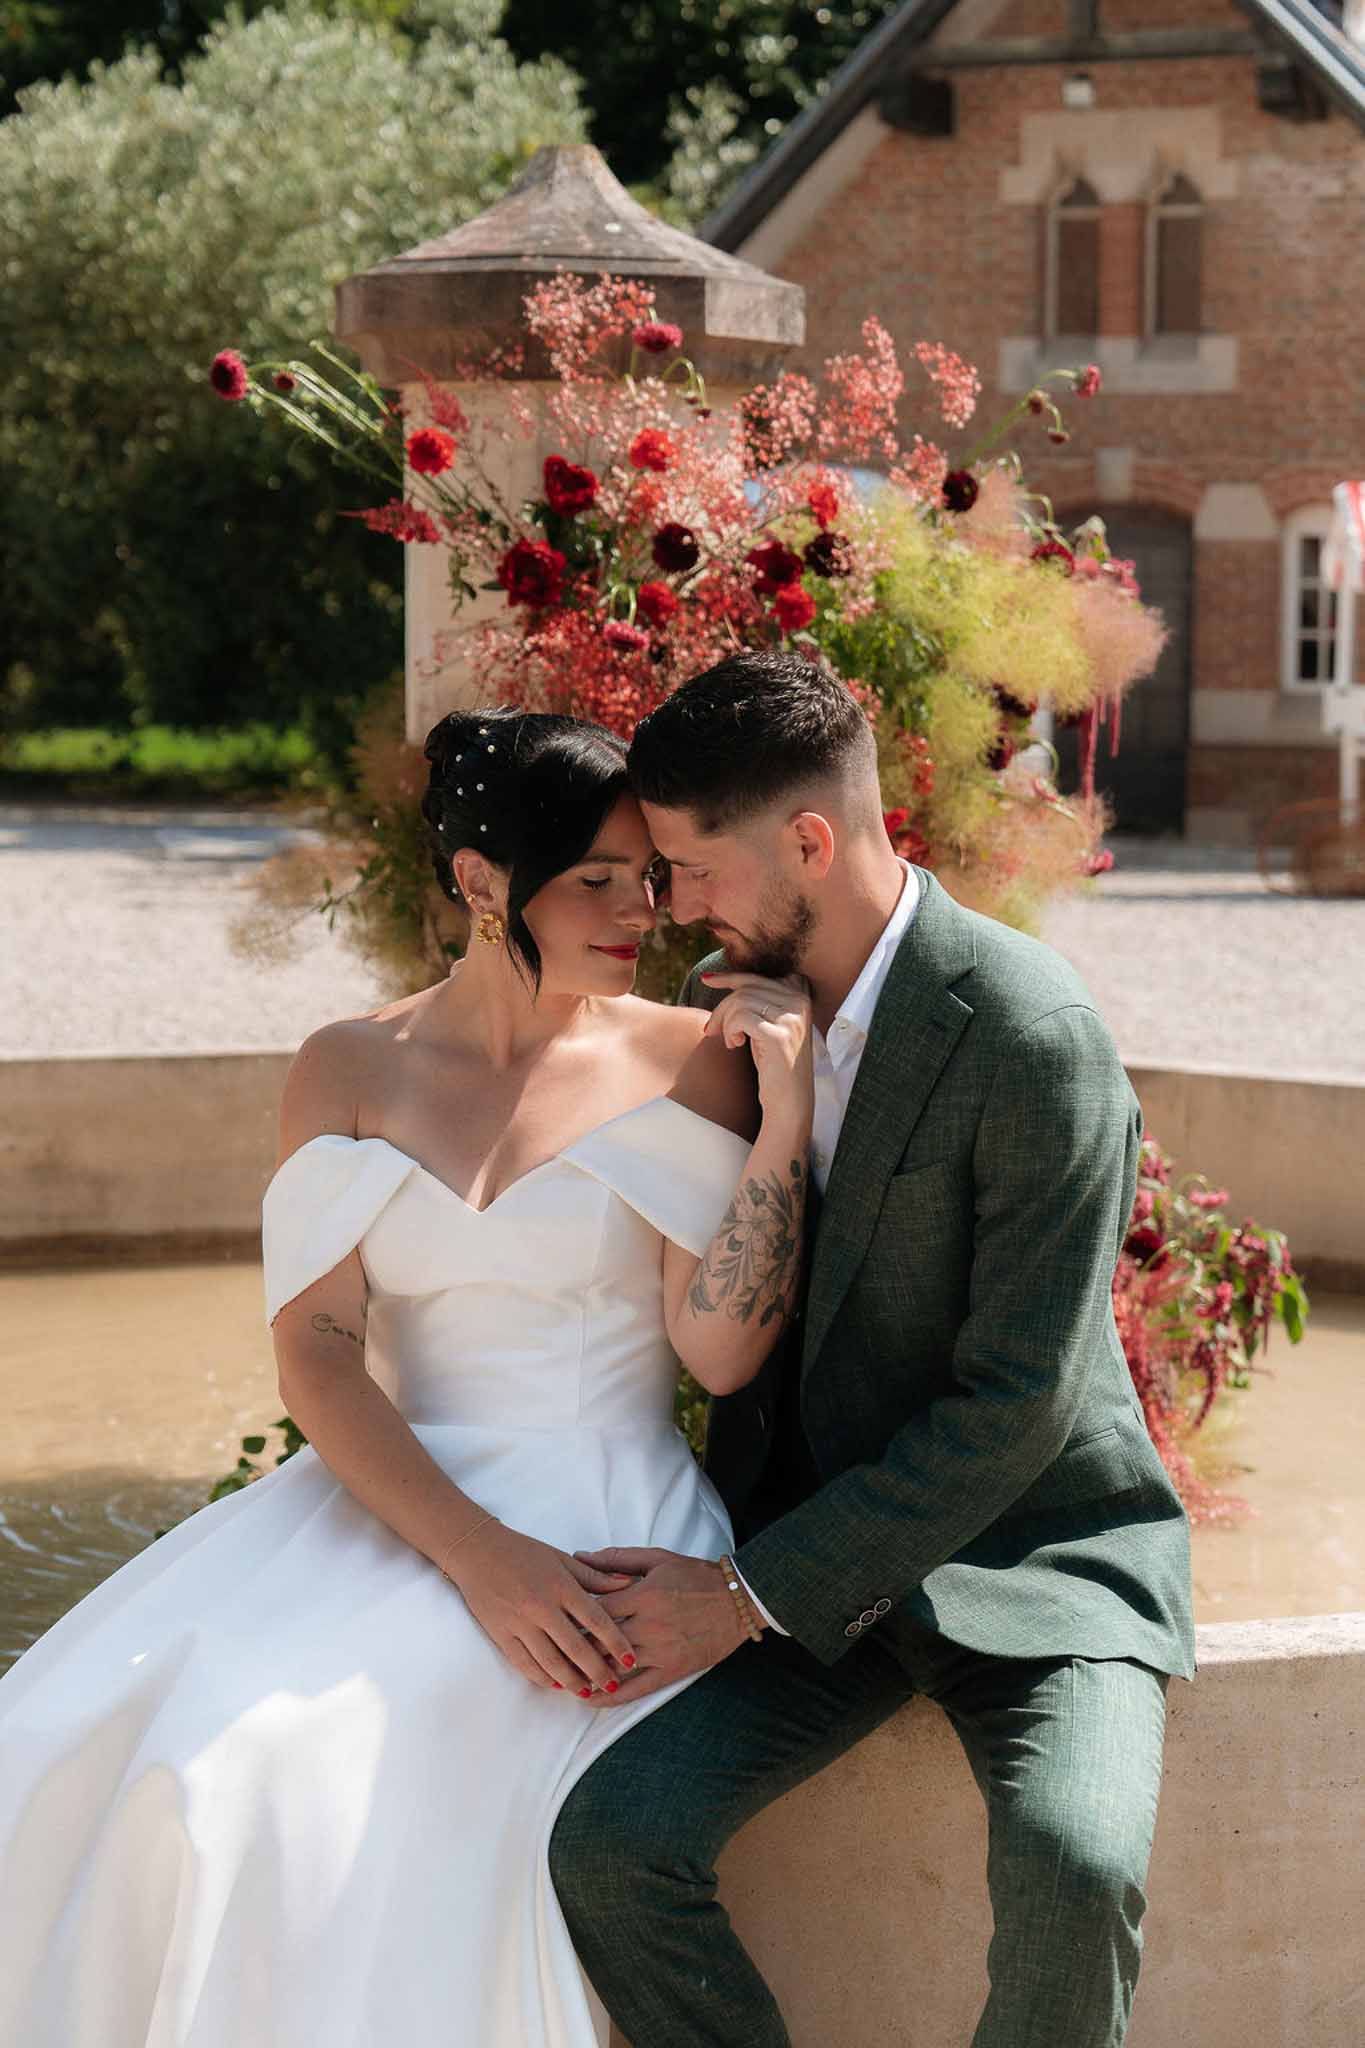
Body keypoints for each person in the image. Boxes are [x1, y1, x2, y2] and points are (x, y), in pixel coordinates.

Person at [0, 706, 814, 2048]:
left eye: (648, 878)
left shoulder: (691, 1062)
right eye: (596, 880)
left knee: (313, 1770)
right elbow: (315, 1350)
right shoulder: (345, 1066)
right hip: (393, 1502)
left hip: (600, 1513)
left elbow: (717, 1351)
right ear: (483, 882)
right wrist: (481, 1559)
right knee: (122, 1750)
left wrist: (781, 1124)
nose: (641, 914)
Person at [549, 650, 1196, 2048]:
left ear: (806, 841)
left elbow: (1018, 1405)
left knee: (1075, 1865)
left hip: (1036, 1551)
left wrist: (741, 1595)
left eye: (690, 869)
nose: (675, 911)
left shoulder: (1030, 1033)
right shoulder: (729, 1027)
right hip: (816, 1572)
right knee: (607, 1846)